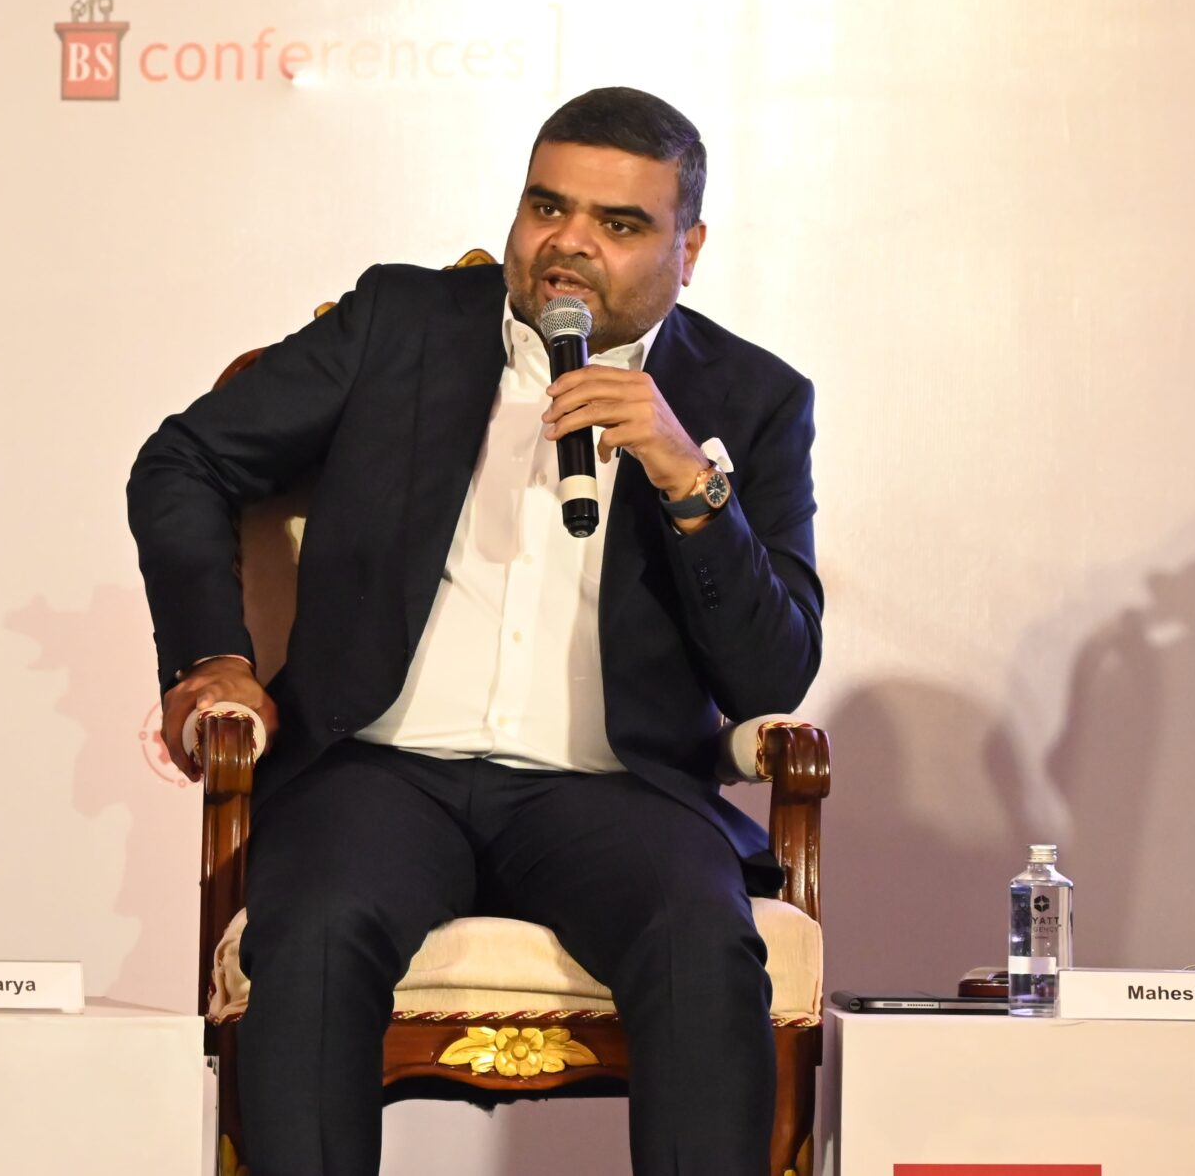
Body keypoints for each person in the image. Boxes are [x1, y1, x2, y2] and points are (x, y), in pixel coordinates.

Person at [128, 87, 820, 1175]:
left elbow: (770, 671)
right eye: (548, 207)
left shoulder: (752, 396)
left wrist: (691, 482)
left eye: (619, 223)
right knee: (314, 929)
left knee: (699, 938)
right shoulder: (398, 324)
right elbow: (184, 460)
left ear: (688, 248)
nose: (569, 243)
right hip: (379, 772)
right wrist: (214, 657)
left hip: (616, 790)